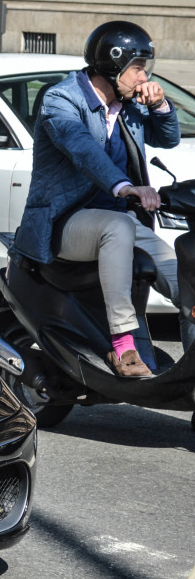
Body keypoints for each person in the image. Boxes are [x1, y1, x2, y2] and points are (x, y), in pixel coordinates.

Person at [13, 20, 185, 378]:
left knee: (178, 272)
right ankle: (123, 346)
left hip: (117, 223)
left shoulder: (130, 105)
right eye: (138, 69)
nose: (143, 78)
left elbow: (168, 141)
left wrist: (161, 105)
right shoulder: (61, 100)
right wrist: (125, 188)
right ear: (112, 66)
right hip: (63, 221)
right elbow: (84, 151)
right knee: (119, 225)